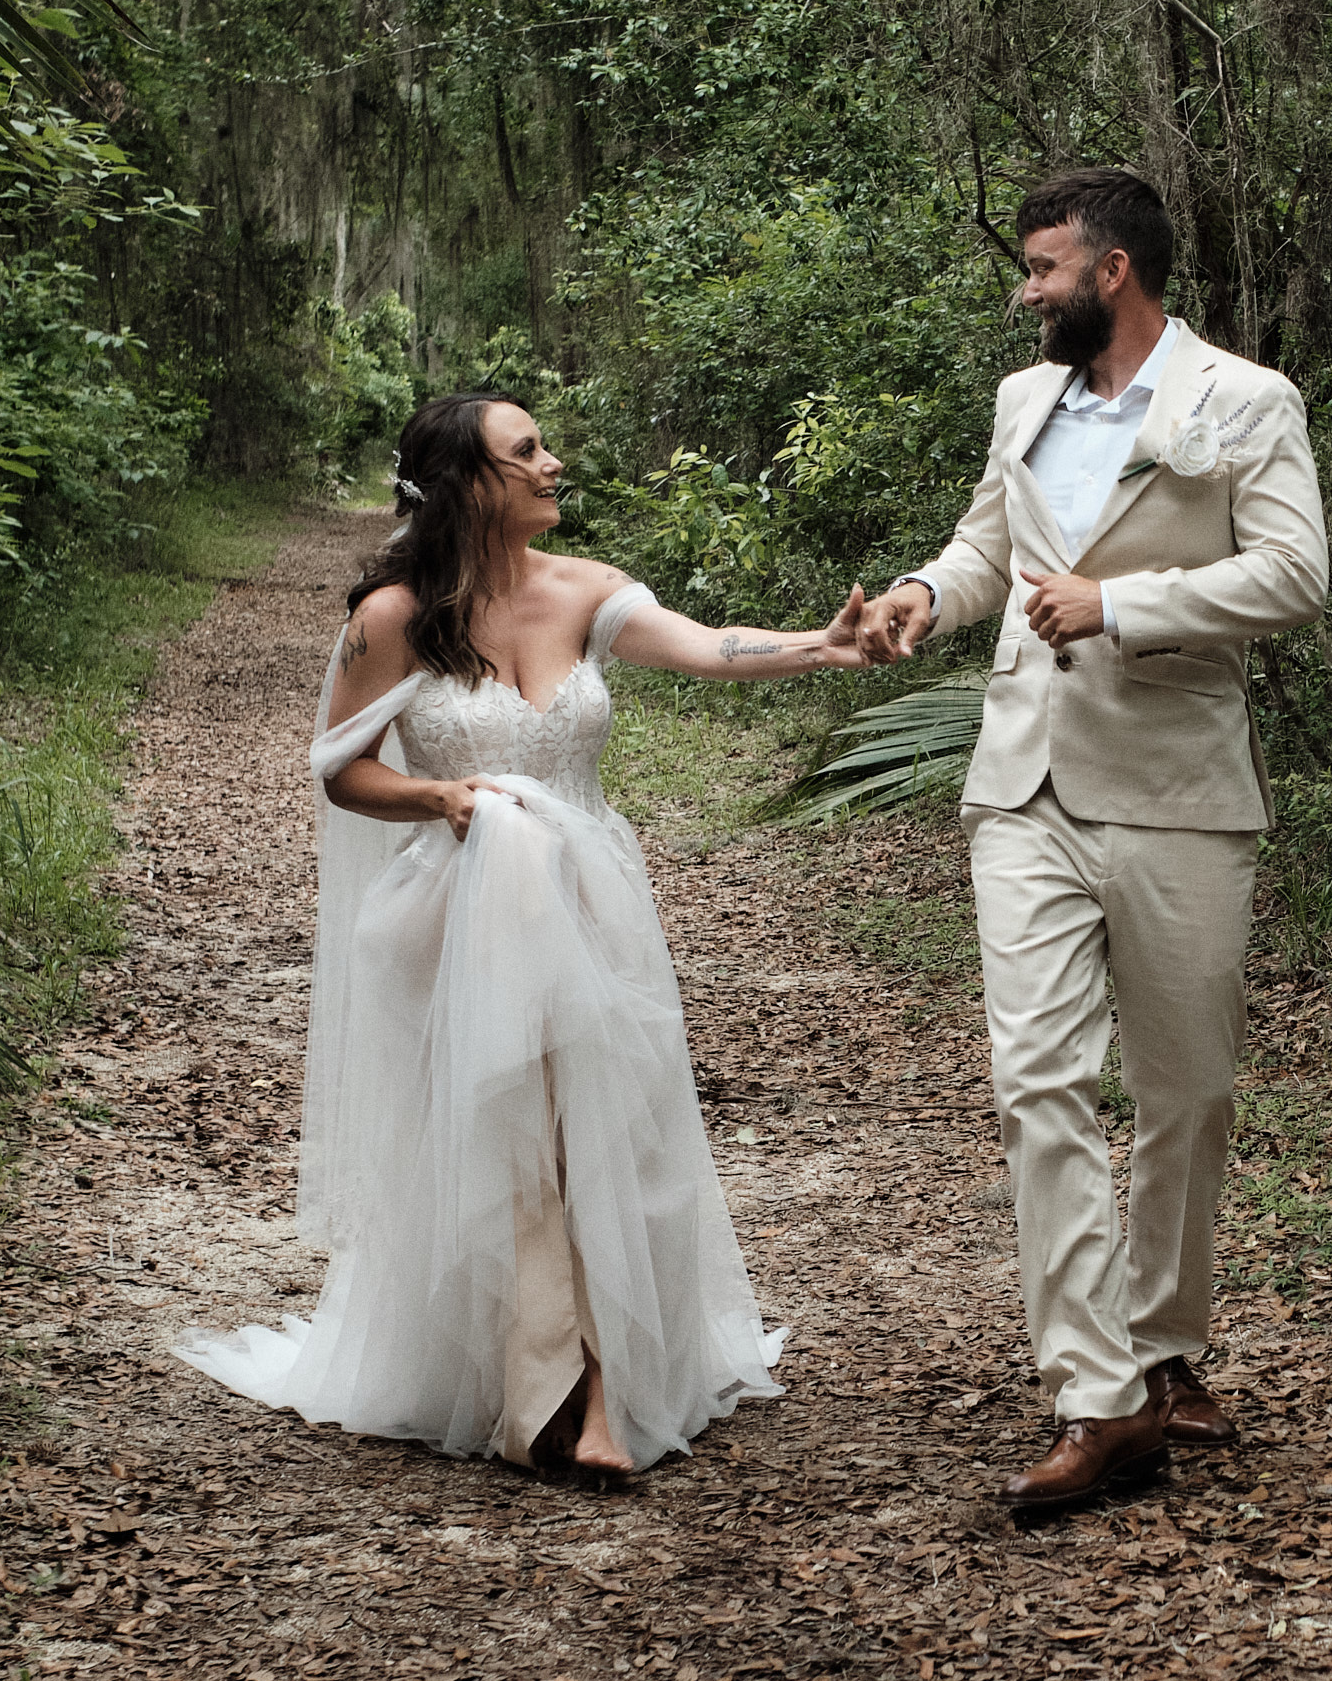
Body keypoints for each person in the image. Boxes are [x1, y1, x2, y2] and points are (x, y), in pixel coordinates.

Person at [179, 390, 869, 1473]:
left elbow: (707, 646)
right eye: (527, 450)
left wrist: (821, 648)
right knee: (515, 1145)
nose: (555, 463)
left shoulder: (586, 588)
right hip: (458, 913)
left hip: (591, 901)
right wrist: (444, 798)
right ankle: (552, 1382)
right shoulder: (395, 617)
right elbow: (341, 769)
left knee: (608, 1133)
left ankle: (603, 1383)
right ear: (467, 483)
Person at [858, 168, 1328, 1508]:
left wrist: (1120, 606)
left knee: (1185, 1093)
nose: (1027, 289)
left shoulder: (1243, 400)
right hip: (1022, 787)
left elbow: (1293, 575)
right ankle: (1095, 1392)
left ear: (1111, 271)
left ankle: (1166, 1346)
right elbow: (984, 547)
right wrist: (917, 598)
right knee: (1038, 1086)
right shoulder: (1024, 400)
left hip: (1176, 785)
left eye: (1044, 268)